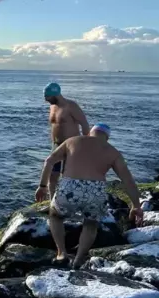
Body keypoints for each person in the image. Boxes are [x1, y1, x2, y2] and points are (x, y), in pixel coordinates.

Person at [35, 123, 144, 269]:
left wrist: (42, 186)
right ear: (107, 138)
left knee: (56, 216)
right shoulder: (113, 151)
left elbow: (49, 161)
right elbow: (128, 180)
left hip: (70, 186)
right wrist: (136, 205)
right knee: (90, 223)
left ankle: (61, 253)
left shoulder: (72, 141)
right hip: (96, 189)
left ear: (90, 133)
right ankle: (79, 258)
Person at [44, 82, 90, 199]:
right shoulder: (52, 107)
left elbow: (84, 124)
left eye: (47, 97)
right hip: (56, 145)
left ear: (55, 95)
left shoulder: (71, 106)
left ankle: (67, 200)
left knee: (67, 176)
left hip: (71, 146)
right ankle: (52, 202)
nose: (46, 100)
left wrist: (87, 145)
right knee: (52, 175)